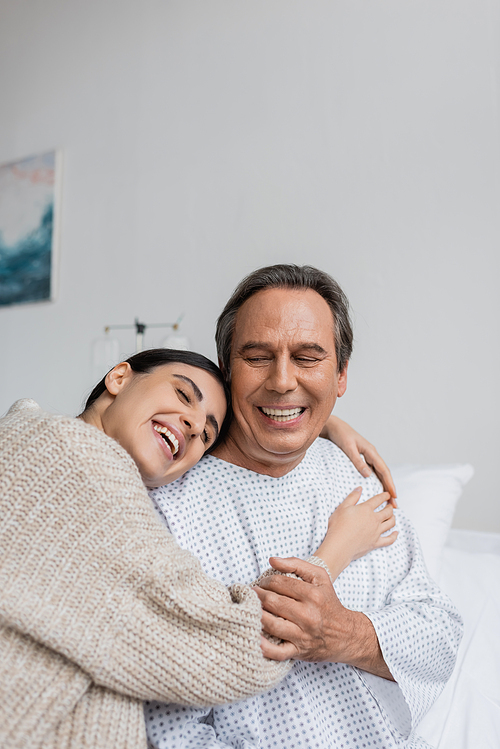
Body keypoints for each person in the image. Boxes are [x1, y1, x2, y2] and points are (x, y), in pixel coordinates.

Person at [0, 347, 395, 749]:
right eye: (183, 395)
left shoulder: (35, 437)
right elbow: (234, 646)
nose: (191, 426)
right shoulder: (81, 469)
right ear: (118, 378)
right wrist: (335, 551)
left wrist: (311, 424)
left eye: (206, 435)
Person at [146, 265, 463, 749]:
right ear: (225, 370)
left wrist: (344, 634)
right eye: (257, 357)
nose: (281, 380)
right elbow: (169, 725)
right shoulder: (165, 508)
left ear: (340, 377)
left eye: (308, 358)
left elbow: (439, 639)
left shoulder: (359, 482)